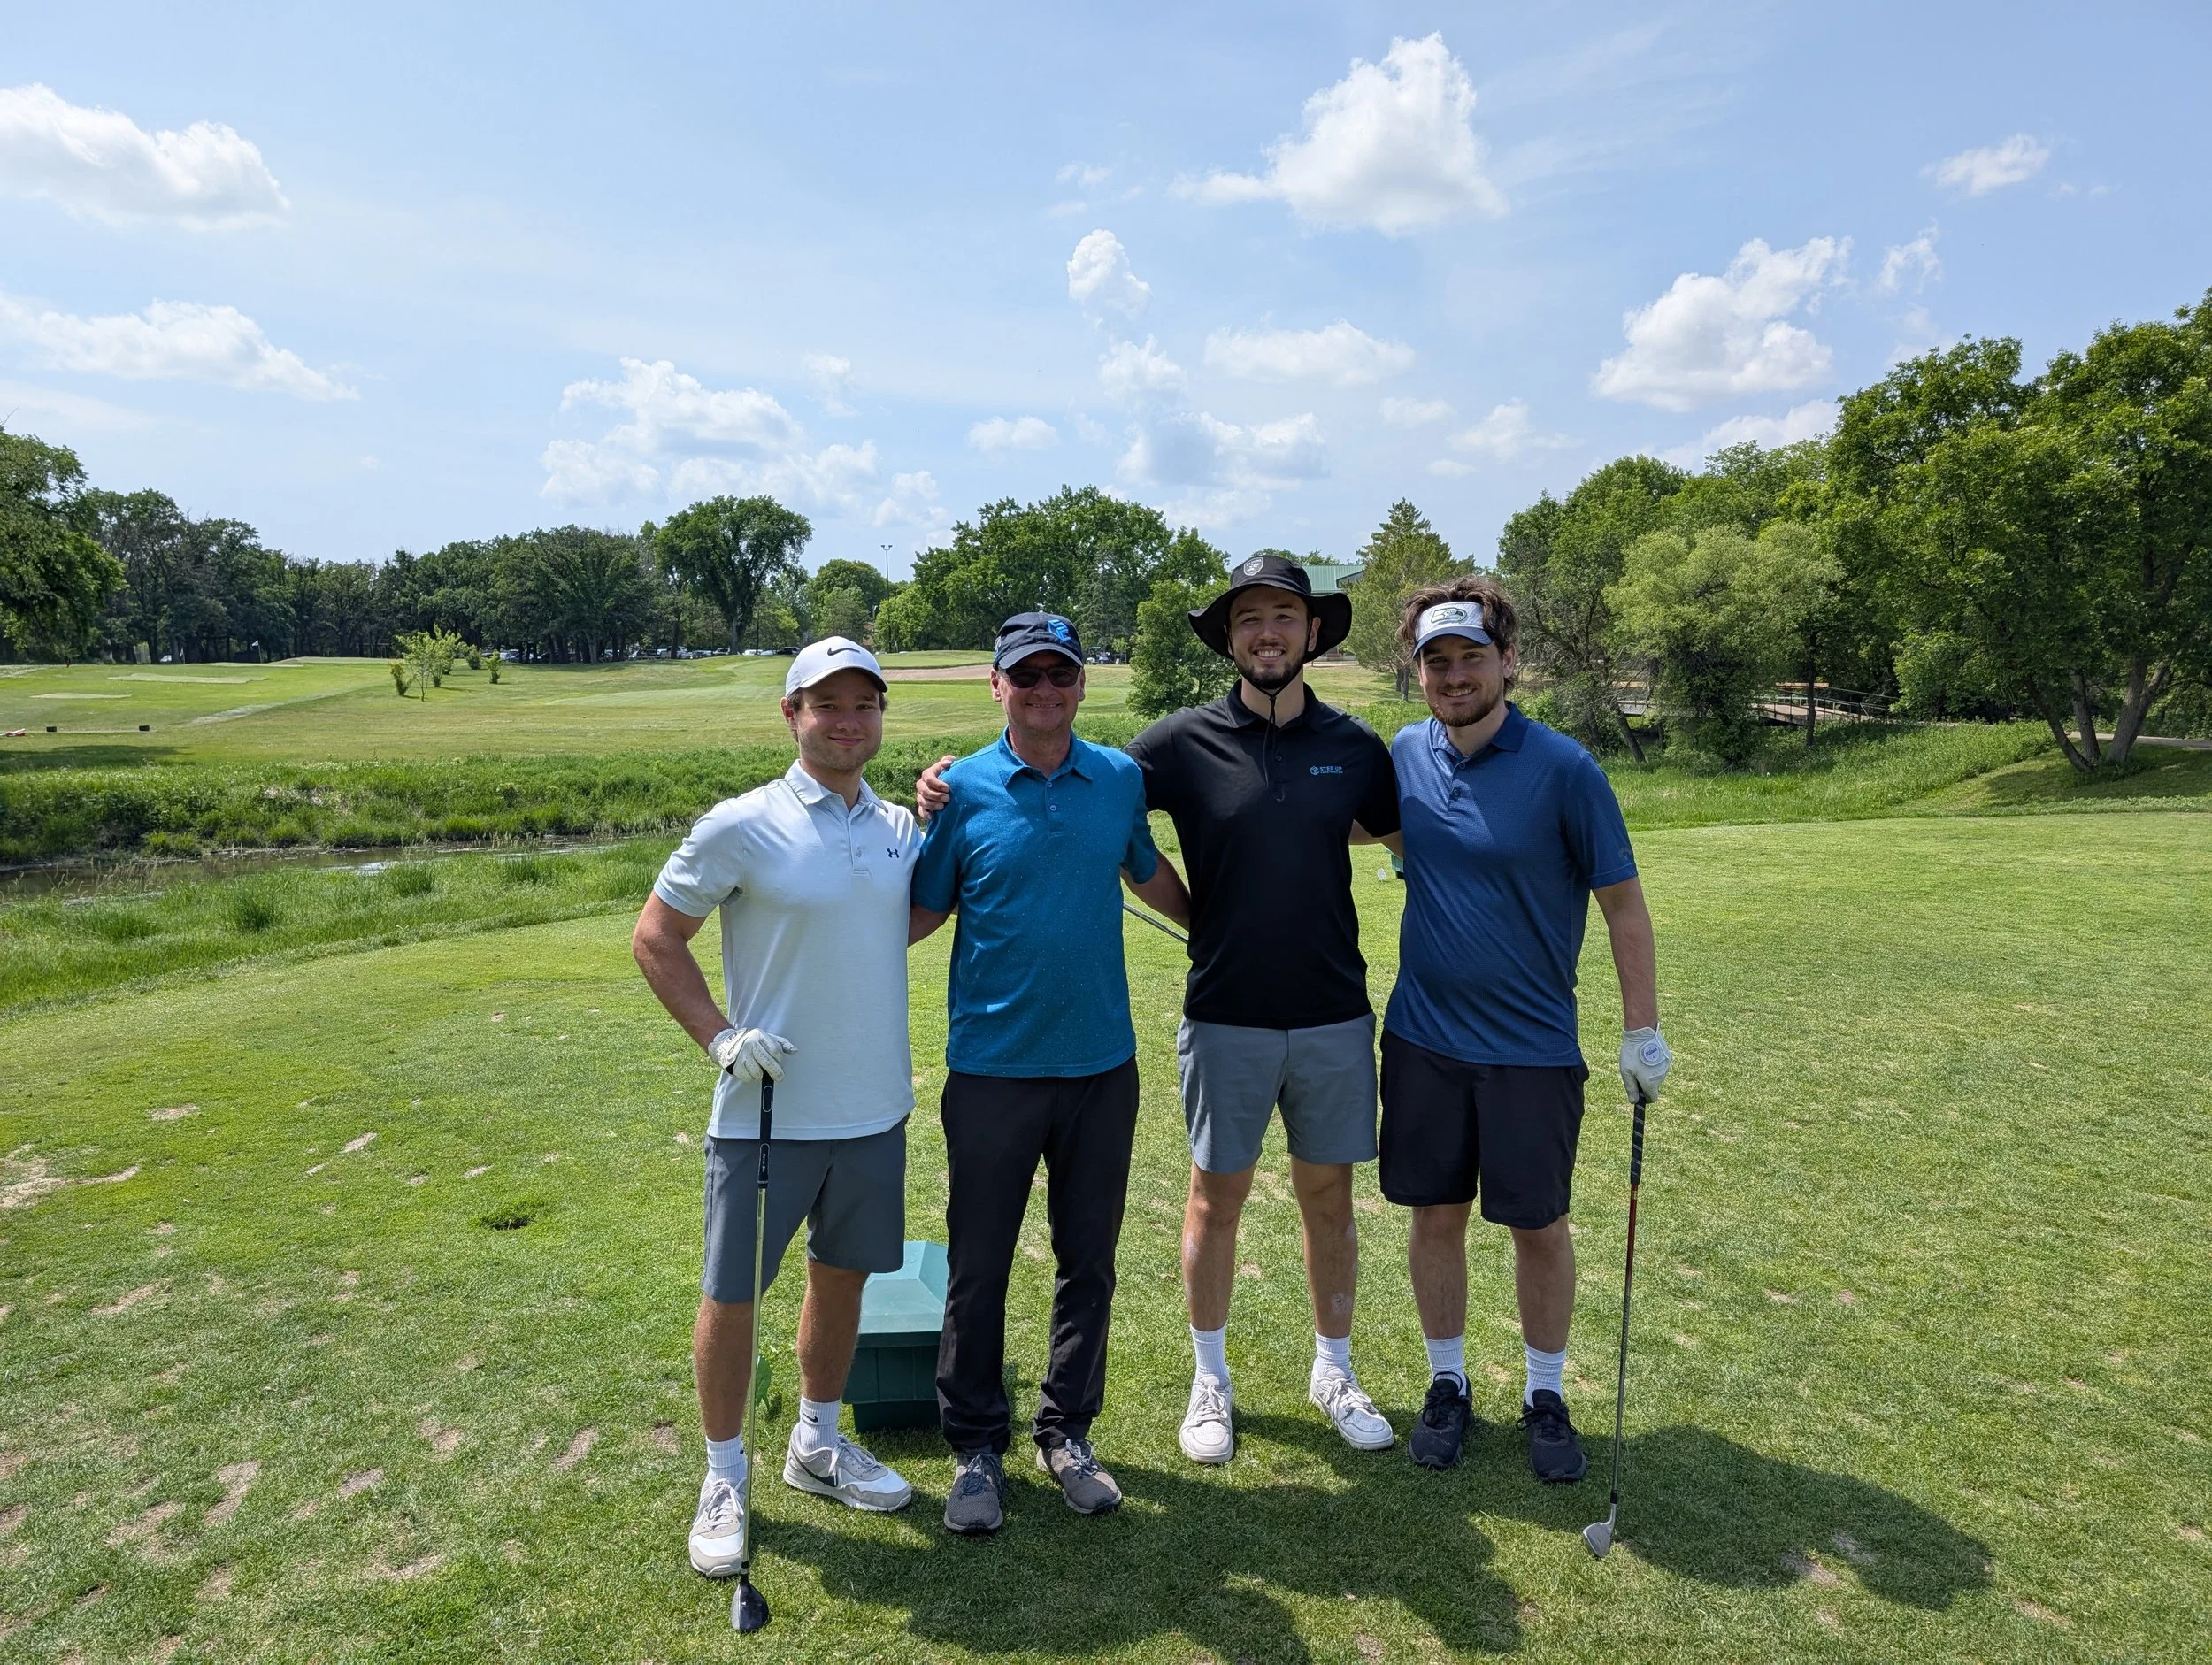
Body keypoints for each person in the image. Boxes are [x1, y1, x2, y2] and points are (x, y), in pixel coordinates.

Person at [631, 636, 919, 1582]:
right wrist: (720, 1036)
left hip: (873, 1107)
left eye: (863, 703)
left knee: (842, 1281)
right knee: (734, 1294)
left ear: (880, 715)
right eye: (825, 703)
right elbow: (656, 937)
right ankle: (722, 1473)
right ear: (790, 713)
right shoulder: (739, 824)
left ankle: (817, 1442)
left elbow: (902, 917)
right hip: (764, 1112)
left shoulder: (896, 826)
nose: (846, 720)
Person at [1379, 579, 1671, 1481]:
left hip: (1532, 1049)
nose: (1455, 674)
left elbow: (1622, 904)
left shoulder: (1564, 768)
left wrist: (1640, 1030)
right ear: (1417, 671)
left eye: (1471, 656)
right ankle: (1447, 1384)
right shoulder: (1400, 756)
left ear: (1507, 662)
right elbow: (1316, 818)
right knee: (1435, 1215)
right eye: (1437, 660)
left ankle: (1545, 1393)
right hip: (1424, 1040)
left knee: (1538, 1225)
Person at [908, 611, 1192, 1536]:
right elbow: (914, 913)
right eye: (1024, 676)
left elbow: (1148, 873)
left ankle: (1066, 1431)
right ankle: (976, 1449)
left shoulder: (1115, 779)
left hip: (1102, 1070)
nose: (1044, 691)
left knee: (1088, 1263)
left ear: (1080, 683)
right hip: (990, 1071)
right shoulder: (959, 790)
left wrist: (1225, 938)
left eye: (1059, 675)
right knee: (978, 1267)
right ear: (996, 686)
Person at [1125, 554, 1403, 1465]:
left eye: (1284, 614)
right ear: (1230, 639)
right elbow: (1095, 808)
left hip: (1331, 1014)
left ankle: (1334, 1367)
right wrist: (1188, 909)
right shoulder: (1177, 742)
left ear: (1312, 631)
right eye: (1249, 619)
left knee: (1330, 1199)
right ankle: (1211, 1377)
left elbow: (1407, 830)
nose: (1267, 632)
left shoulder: (1357, 748)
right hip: (1224, 1014)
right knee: (1216, 1198)